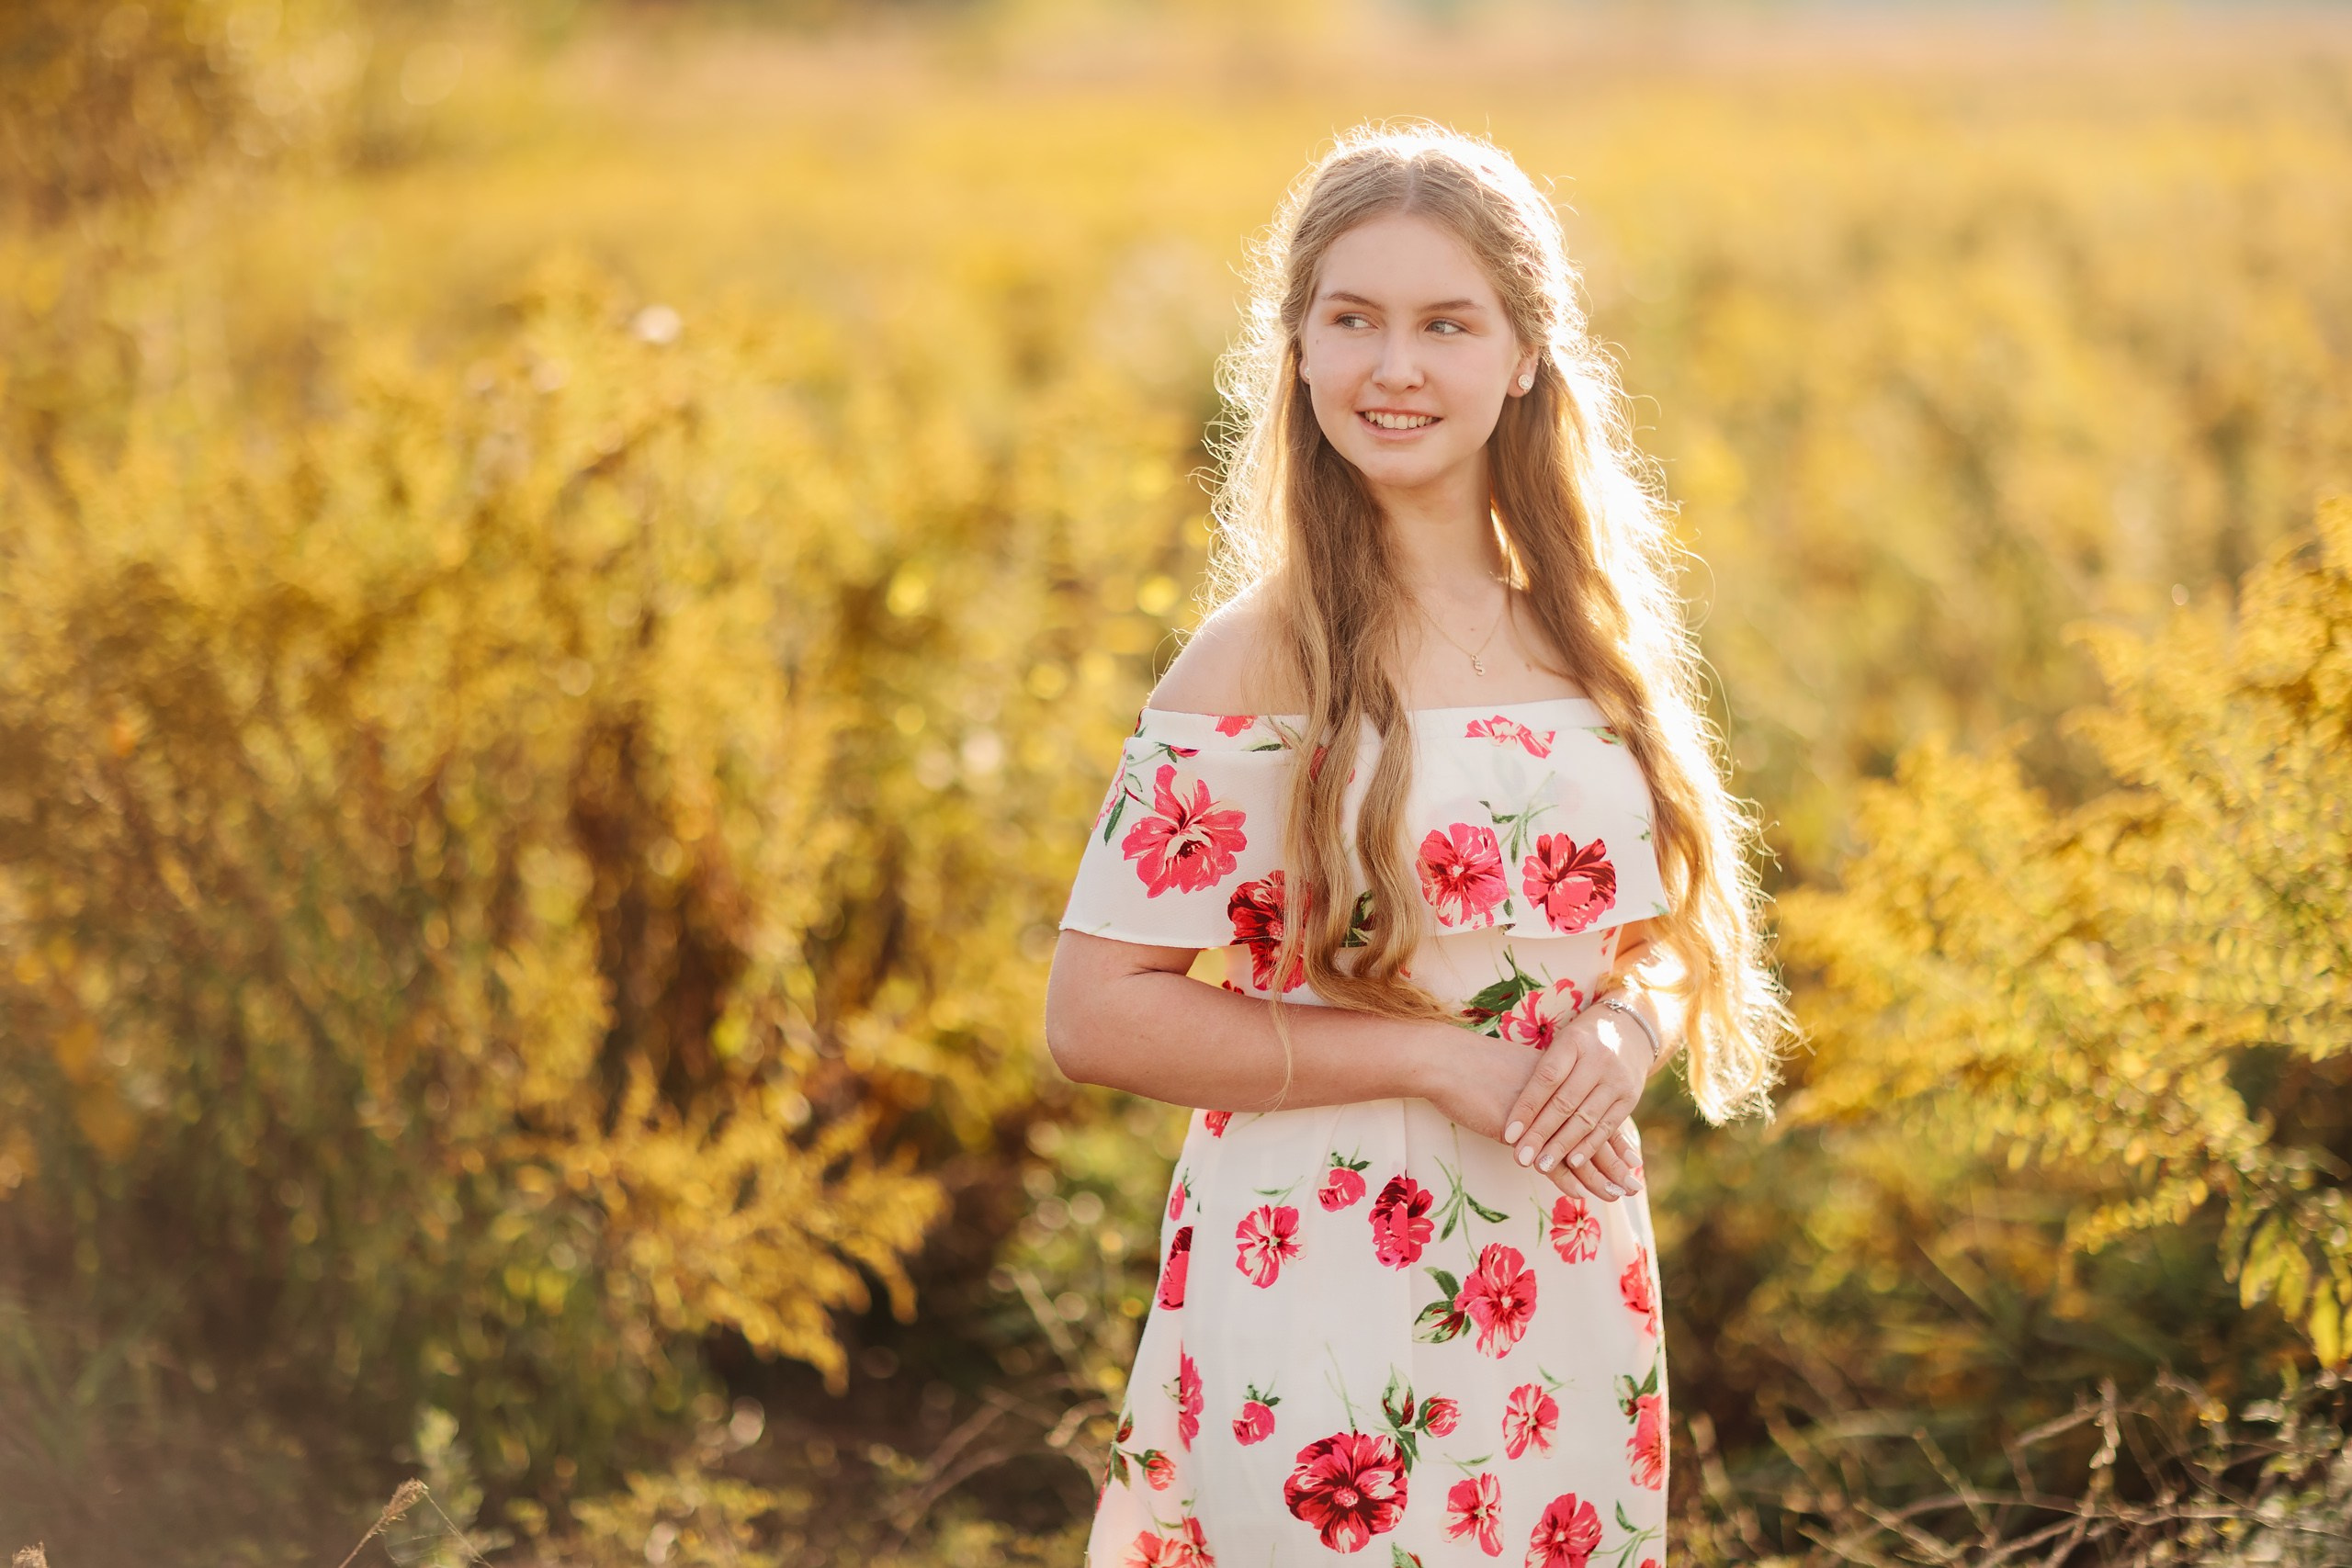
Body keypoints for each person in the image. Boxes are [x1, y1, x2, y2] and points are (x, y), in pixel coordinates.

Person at [1043, 121, 1789, 1567]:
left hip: (1557, 1276)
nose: (1396, 368)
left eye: (1446, 323)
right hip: (1320, 1272)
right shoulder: (1254, 660)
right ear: (1300, 352)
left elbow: (1671, 933)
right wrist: (1432, 1057)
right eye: (1354, 320)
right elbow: (1095, 1014)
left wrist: (1633, 1027)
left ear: (1522, 353)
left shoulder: (1593, 638)